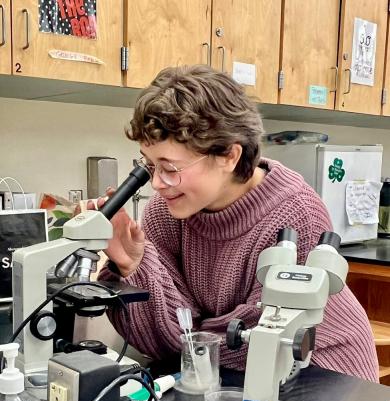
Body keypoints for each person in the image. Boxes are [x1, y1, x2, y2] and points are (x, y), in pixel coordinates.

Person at [97, 64, 379, 383]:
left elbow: (257, 343)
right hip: (218, 377)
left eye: (170, 167)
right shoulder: (167, 210)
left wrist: (192, 333)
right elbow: (164, 341)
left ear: (229, 156)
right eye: (150, 165)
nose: (158, 184)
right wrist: (133, 264)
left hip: (321, 372)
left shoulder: (295, 213)